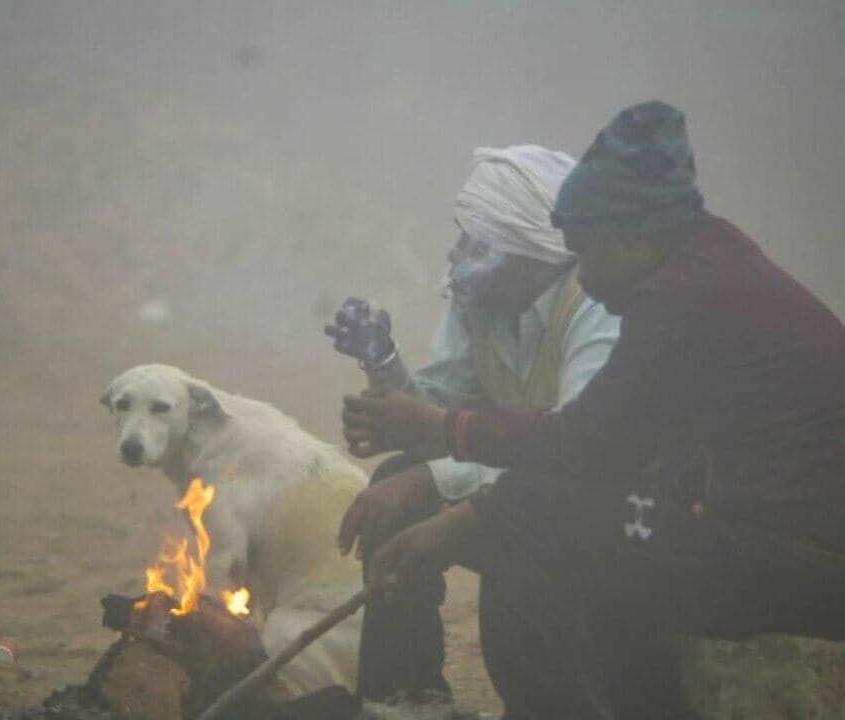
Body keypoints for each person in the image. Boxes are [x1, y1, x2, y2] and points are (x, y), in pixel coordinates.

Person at [340, 101, 845, 719]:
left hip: (801, 557)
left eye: (585, 253)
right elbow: (615, 449)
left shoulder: (681, 296)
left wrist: (456, 460)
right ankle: (410, 700)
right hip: (746, 525)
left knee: (527, 516)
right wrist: (438, 440)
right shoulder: (704, 262)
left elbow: (590, 446)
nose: (582, 272)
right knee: (555, 518)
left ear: (631, 238)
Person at [325, 145, 620, 704]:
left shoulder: (595, 307)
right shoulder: (484, 301)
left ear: (530, 255)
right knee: (395, 480)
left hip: (598, 505)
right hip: (528, 482)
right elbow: (437, 418)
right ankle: (405, 700)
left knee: (507, 524)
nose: (456, 255)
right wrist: (382, 360)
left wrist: (432, 480)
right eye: (462, 237)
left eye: (476, 244)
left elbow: (579, 452)